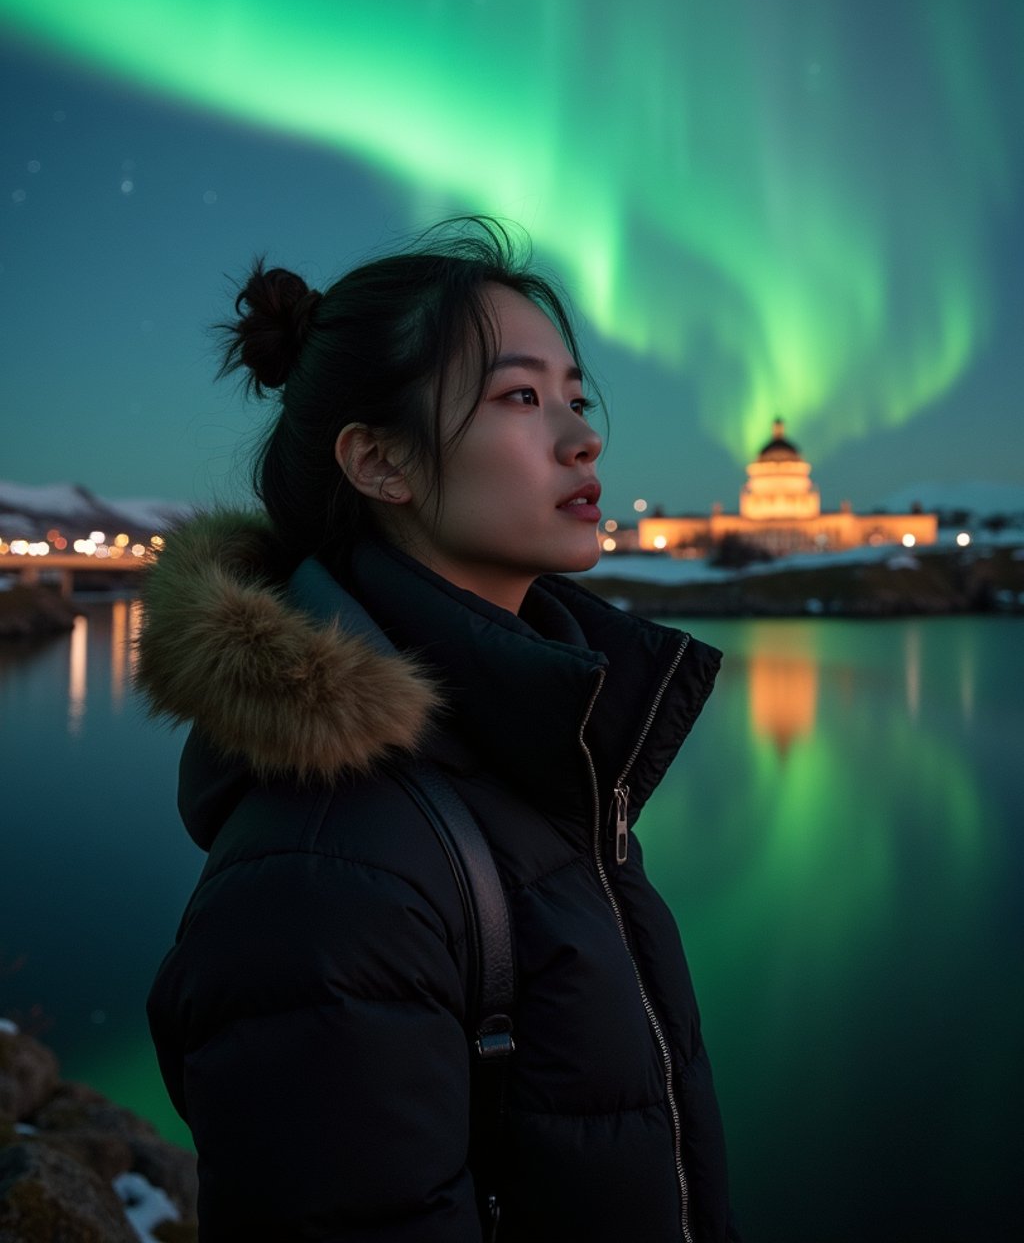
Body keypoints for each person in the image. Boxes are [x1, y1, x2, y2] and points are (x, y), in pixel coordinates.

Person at [139, 219, 740, 1242]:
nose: (581, 435)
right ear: (380, 463)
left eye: (575, 396)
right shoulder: (330, 866)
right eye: (519, 396)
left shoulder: (541, 755)